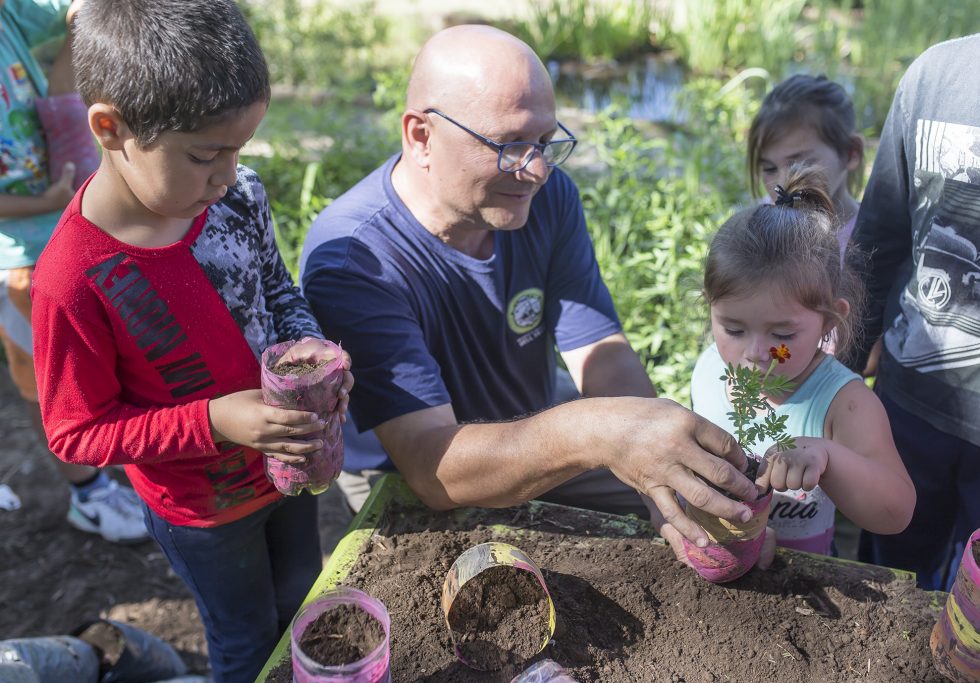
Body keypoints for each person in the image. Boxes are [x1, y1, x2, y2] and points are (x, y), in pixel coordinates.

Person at [300, 24, 761, 560]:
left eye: (545, 142)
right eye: (510, 144)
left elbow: (599, 353)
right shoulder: (356, 259)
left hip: (531, 422)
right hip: (412, 466)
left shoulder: (545, 197)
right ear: (421, 136)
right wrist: (598, 432)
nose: (537, 169)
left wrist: (658, 466)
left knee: (694, 488)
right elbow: (433, 468)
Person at [30, 2, 352, 681]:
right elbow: (77, 432)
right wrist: (217, 419)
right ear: (112, 128)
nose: (229, 174)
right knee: (242, 638)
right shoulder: (73, 278)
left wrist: (310, 349)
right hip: (204, 511)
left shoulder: (234, 197)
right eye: (207, 154)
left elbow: (275, 286)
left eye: (240, 149)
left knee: (303, 603)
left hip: (288, 471)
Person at [851, 0, 980, 590]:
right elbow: (878, 241)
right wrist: (837, 382)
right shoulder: (932, 77)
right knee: (890, 588)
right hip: (908, 412)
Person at [691, 167, 915, 556]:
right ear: (710, 307)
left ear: (830, 319)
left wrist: (829, 457)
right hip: (714, 557)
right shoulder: (709, 370)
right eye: (734, 328)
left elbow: (896, 513)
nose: (756, 352)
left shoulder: (843, 402)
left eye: (782, 336)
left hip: (802, 578)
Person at [0, 0, 146, 543]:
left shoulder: (10, 15)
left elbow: (74, 15)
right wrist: (40, 200)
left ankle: (129, 463)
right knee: (53, 386)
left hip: (69, 218)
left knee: (106, 357)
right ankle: (88, 494)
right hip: (18, 254)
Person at [748, 74, 863, 259]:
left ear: (850, 152)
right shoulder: (758, 224)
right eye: (769, 169)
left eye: (799, 165)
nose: (783, 183)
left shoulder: (876, 236)